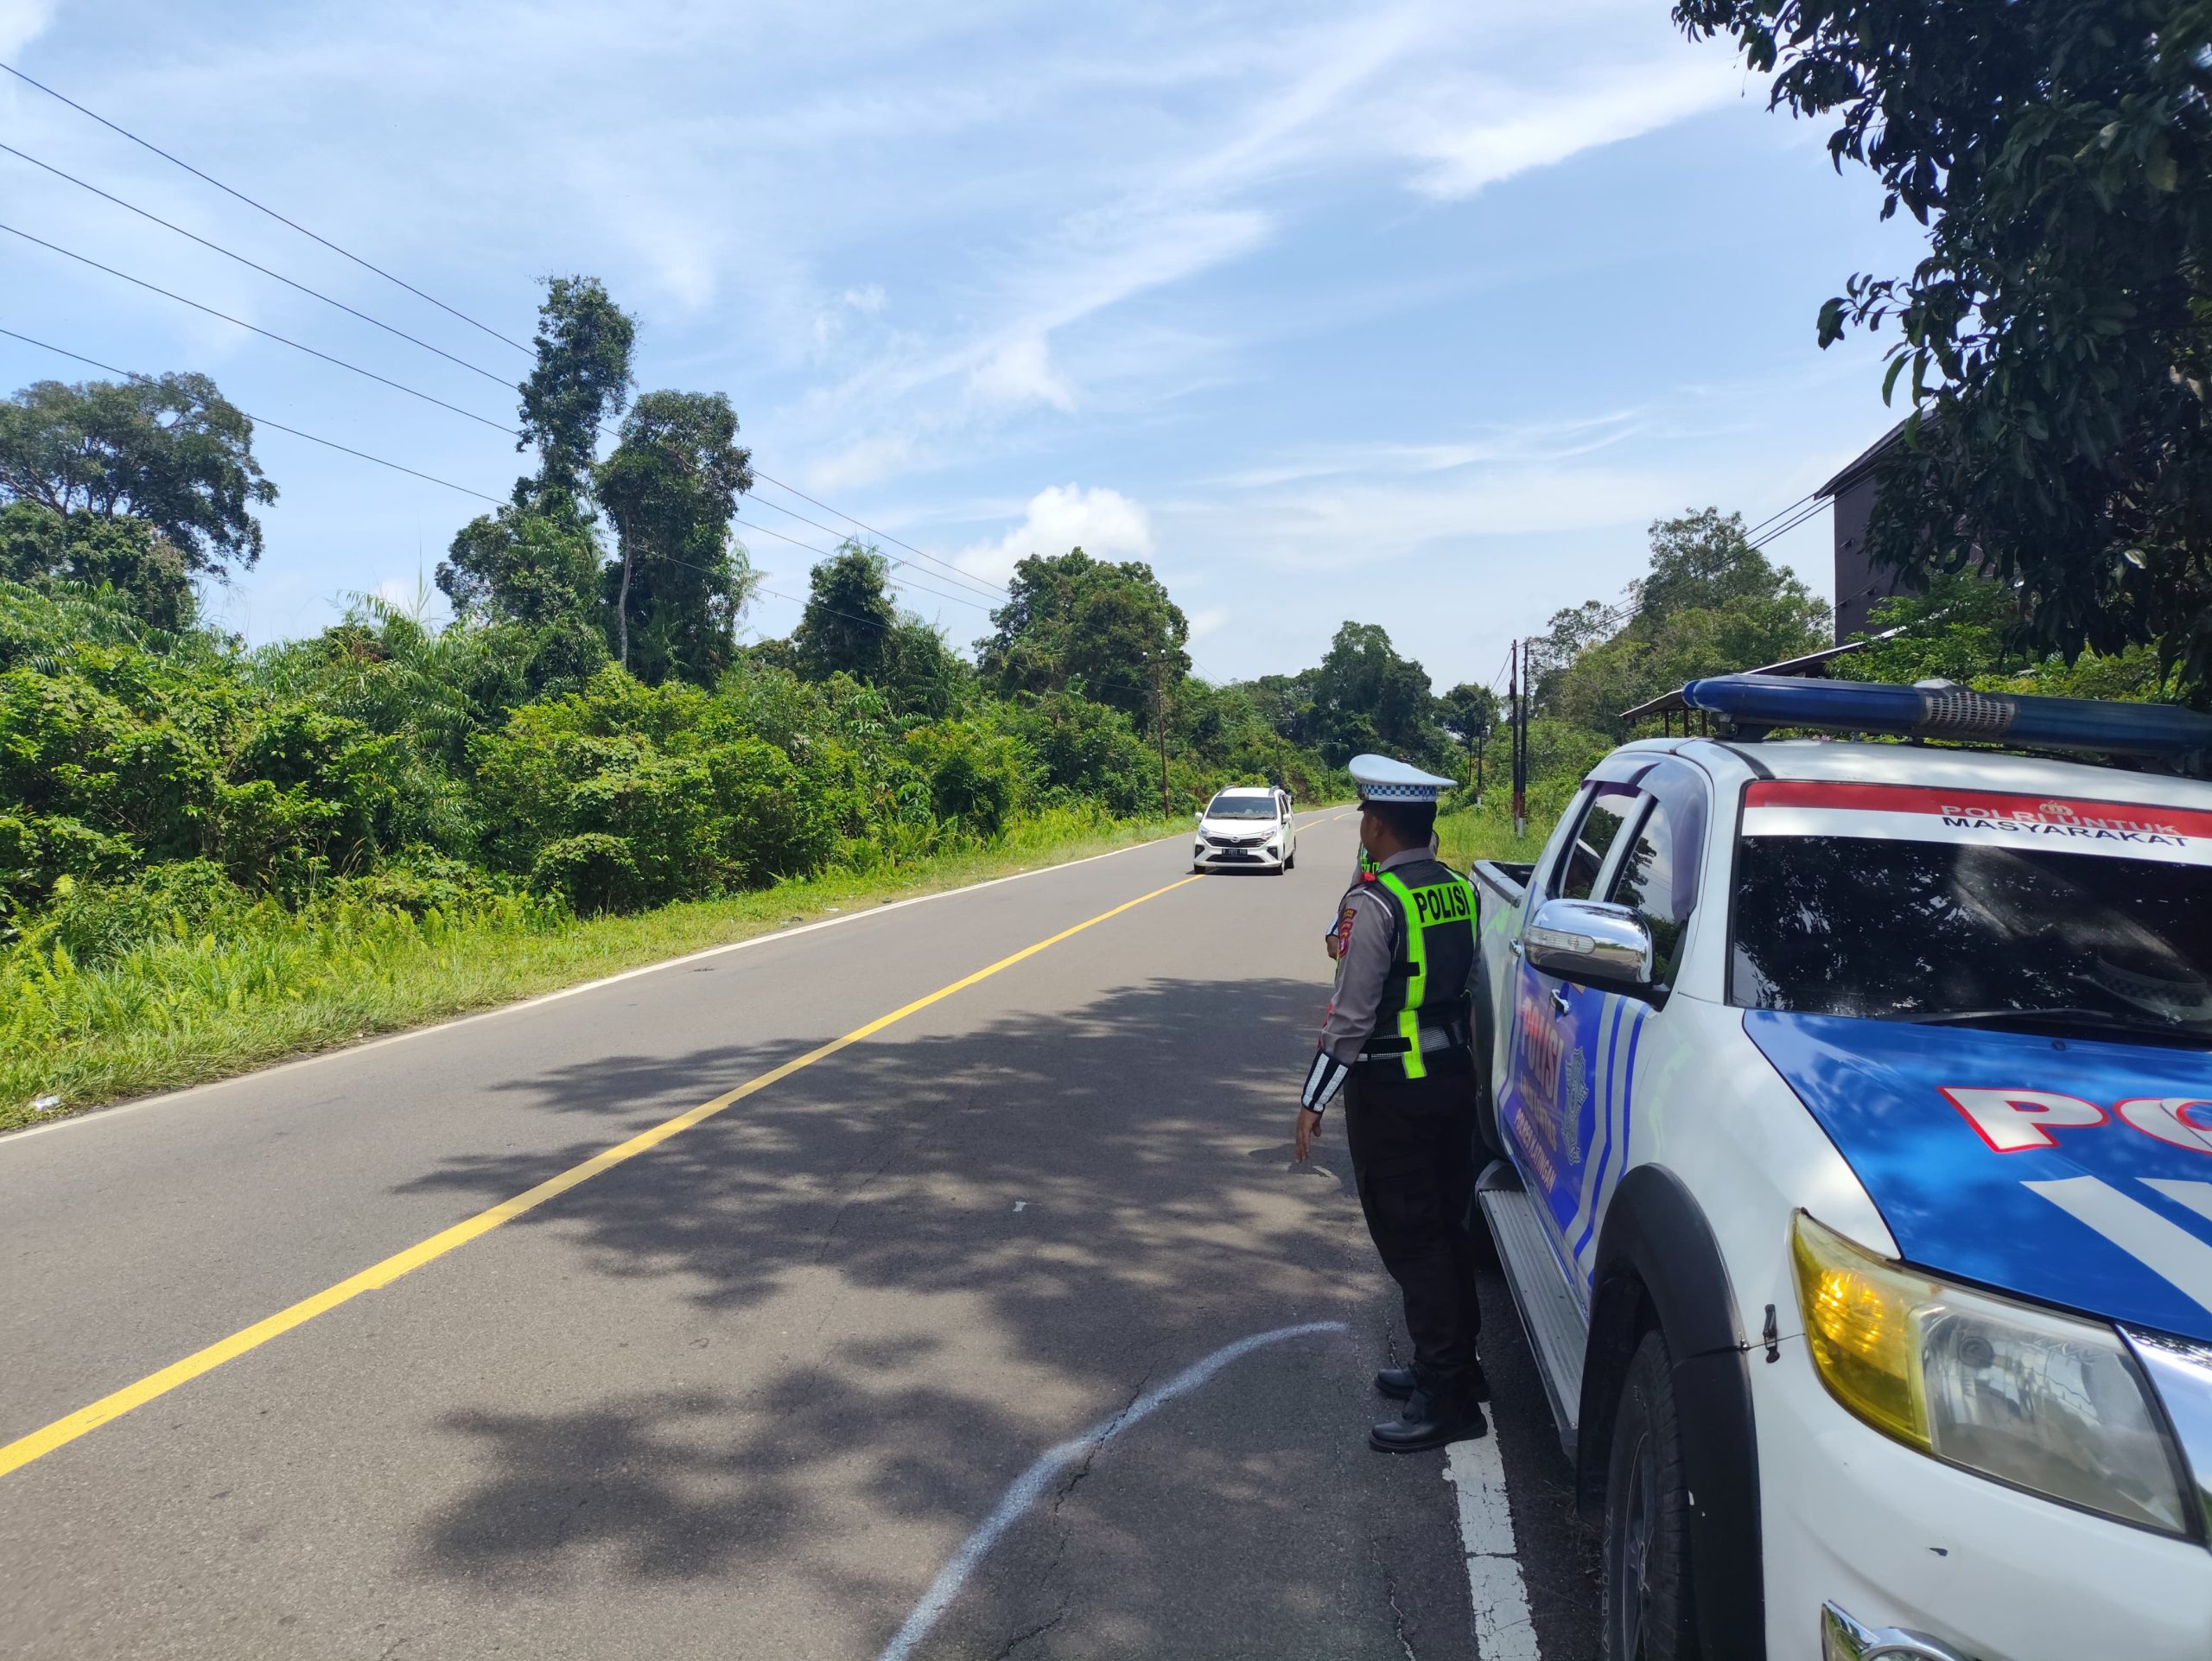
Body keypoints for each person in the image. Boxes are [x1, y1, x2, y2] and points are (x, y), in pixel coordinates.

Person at [1297, 754, 1488, 1453]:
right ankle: (1457, 1367)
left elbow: (1349, 1014)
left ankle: (1447, 1397)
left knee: (1414, 1242)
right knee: (1447, 1227)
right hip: (1450, 1082)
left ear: (1375, 825)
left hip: (1394, 1094)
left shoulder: (1376, 903)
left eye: (1365, 822)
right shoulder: (1457, 891)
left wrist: (1313, 1099)